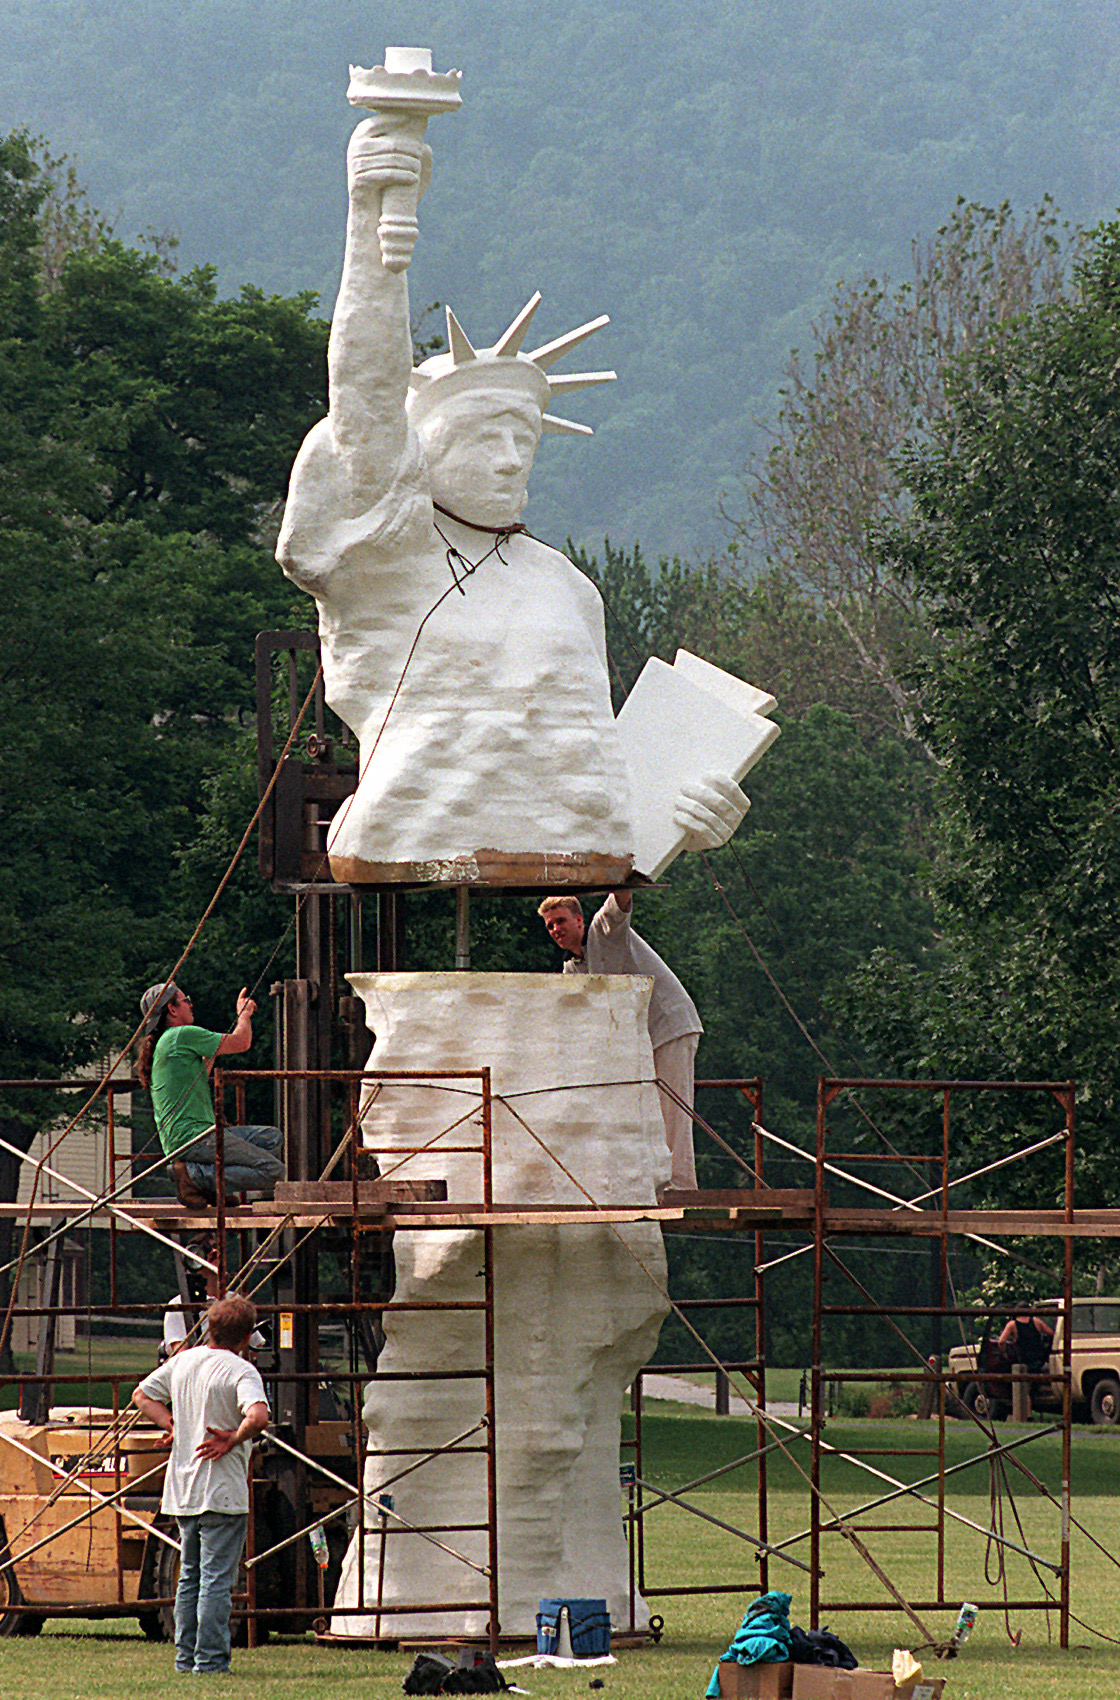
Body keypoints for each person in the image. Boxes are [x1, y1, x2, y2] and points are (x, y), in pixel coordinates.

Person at [276, 106, 750, 887]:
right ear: (422, 451)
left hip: (574, 848)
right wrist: (372, 228)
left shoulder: (569, 588)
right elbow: (364, 397)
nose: (506, 460)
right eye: (479, 437)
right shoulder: (391, 550)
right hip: (405, 833)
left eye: (520, 439)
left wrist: (685, 808)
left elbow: (580, 756)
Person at [132, 1295, 270, 1676]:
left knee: (189, 1576)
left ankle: (185, 1658)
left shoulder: (183, 1361)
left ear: (210, 1327)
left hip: (182, 1491)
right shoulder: (240, 1370)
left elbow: (141, 1394)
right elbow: (258, 1415)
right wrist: (232, 1438)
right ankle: (209, 1661)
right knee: (215, 1580)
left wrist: (173, 1425)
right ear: (245, 1336)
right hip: (222, 1492)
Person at [539, 891, 702, 1190]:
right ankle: (654, 1180)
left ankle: (681, 1185)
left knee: (673, 1108)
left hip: (669, 1024)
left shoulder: (604, 929)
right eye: (549, 925)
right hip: (639, 1041)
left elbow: (622, 897)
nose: (556, 930)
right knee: (641, 1109)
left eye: (561, 921)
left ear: (579, 920)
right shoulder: (571, 969)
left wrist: (616, 866)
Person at [137, 982, 286, 1210]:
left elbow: (197, 1075)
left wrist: (212, 1050)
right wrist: (243, 1015)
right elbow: (242, 1042)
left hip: (192, 1137)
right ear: (172, 1009)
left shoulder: (167, 1042)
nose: (190, 1003)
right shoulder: (180, 1035)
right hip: (194, 1138)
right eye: (185, 999)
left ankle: (211, 1185)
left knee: (271, 1137)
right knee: (274, 1171)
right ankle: (196, 1177)